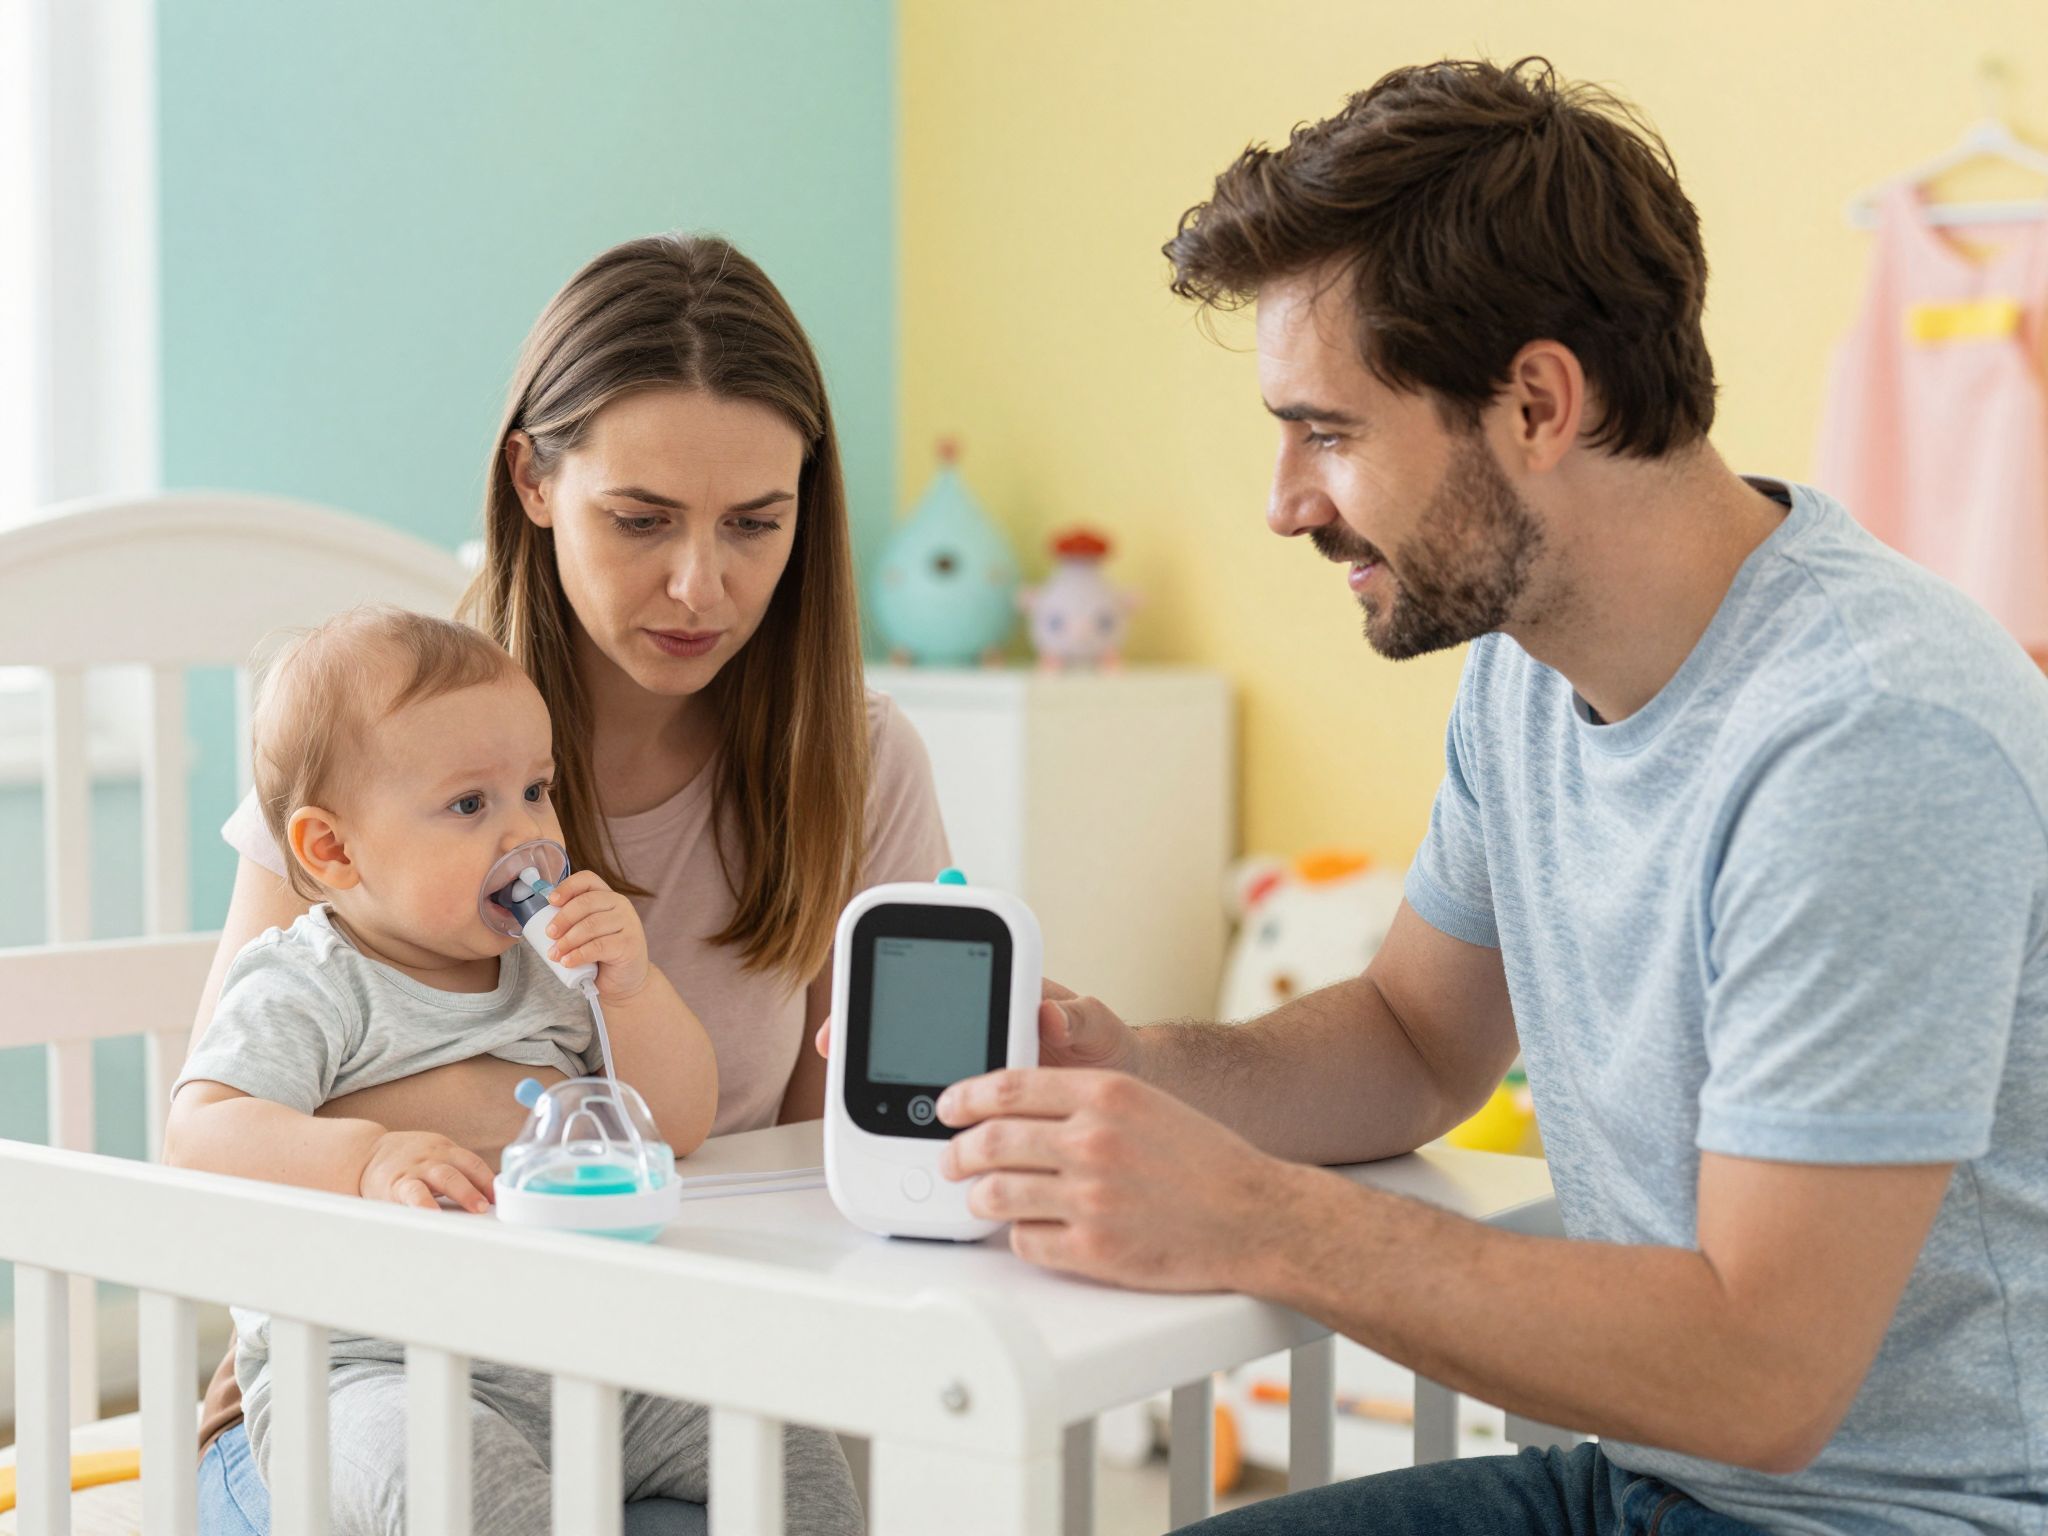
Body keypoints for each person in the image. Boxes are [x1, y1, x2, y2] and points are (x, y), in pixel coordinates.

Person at [918, 59, 2048, 1534]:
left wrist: (1256, 1216)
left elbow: (1767, 1377)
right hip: (1647, 1482)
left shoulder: (1871, 734)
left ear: (1535, 402)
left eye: (1327, 431)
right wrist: (1128, 1063)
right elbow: (1410, 1040)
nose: (1285, 503)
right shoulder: (1525, 674)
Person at [190, 234, 950, 1536]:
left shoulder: (857, 767)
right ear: (534, 480)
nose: (700, 586)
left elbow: (835, 1171)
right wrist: (401, 1147)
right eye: (641, 519)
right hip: (382, 1370)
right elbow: (228, 1123)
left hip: (665, 1351)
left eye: (756, 524)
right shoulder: (384, 748)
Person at [167, 607, 862, 1535]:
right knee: (461, 1478)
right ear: (332, 849)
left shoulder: (553, 974)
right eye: (469, 805)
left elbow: (679, 1124)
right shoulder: (307, 982)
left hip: (578, 1353)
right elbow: (201, 1132)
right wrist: (365, 1159)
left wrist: (635, 986)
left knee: (781, 1444)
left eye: (537, 791)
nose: (524, 832)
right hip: (367, 1371)